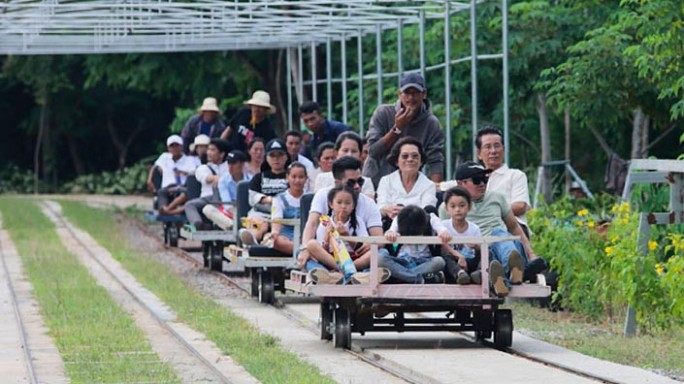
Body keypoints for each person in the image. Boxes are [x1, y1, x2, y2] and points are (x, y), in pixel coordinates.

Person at [451, 161, 546, 297]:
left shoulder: (497, 198)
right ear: (460, 183)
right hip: (480, 253)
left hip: (506, 246)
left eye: (485, 179)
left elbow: (514, 227)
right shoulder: (451, 205)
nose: (482, 184)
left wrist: (531, 254)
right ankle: (506, 277)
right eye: (477, 180)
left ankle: (513, 268)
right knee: (490, 250)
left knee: (499, 233)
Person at [299, 157, 384, 274]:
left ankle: (344, 272)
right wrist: (306, 248)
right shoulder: (323, 195)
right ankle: (344, 273)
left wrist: (370, 244)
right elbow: (312, 223)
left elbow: (379, 238)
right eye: (351, 182)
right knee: (308, 249)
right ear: (337, 183)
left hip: (357, 255)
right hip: (327, 256)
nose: (357, 187)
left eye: (360, 181)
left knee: (381, 254)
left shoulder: (368, 204)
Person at [441, 127, 531, 236]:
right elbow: (438, 186)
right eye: (488, 147)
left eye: (497, 146)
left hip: (510, 227)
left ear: (503, 148)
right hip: (476, 230)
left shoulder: (515, 175)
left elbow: (520, 206)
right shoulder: (468, 178)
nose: (493, 151)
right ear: (479, 153)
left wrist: (492, 211)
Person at [363, 72, 445, 187]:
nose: (411, 98)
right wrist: (397, 128)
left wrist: (436, 191)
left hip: (409, 188)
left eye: (415, 93)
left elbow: (435, 161)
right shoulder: (383, 113)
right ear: (399, 94)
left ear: (424, 94)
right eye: (407, 93)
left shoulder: (431, 123)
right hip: (375, 183)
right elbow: (373, 151)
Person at [305, 185, 391, 285]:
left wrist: (345, 235)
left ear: (353, 206)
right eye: (339, 202)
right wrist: (328, 236)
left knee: (378, 251)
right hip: (332, 259)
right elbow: (323, 248)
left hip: (353, 257)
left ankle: (346, 271)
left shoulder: (358, 221)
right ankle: (349, 272)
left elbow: (360, 247)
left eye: (347, 203)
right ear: (331, 204)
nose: (343, 206)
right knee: (311, 244)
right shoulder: (325, 221)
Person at [381, 205, 451, 284]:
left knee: (439, 261)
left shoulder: (431, 218)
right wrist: (390, 234)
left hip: (424, 262)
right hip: (402, 262)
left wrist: (443, 233)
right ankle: (417, 279)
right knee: (380, 258)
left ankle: (400, 277)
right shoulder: (399, 218)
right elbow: (390, 231)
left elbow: (443, 230)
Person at [239, 138, 290, 245]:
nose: (276, 159)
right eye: (272, 155)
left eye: (280, 155)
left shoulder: (292, 176)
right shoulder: (258, 178)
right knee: (260, 224)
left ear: (286, 157)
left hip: (285, 216)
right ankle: (251, 240)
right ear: (266, 158)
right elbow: (252, 198)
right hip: (261, 214)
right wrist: (270, 200)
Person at [376, 137, 437, 221]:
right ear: (396, 161)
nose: (410, 159)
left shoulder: (429, 185)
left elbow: (428, 211)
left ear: (421, 161)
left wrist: (404, 212)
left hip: (420, 228)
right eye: (405, 156)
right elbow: (380, 208)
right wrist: (387, 209)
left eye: (415, 156)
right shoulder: (386, 181)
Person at [146, 134, 198, 215]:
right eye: (172, 146)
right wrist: (149, 180)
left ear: (181, 147)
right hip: (167, 187)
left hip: (182, 187)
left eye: (177, 145)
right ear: (168, 148)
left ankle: (167, 210)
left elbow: (193, 173)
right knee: (162, 192)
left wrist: (182, 172)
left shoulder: (189, 160)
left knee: (185, 194)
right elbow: (155, 167)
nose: (174, 148)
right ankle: (163, 209)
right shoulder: (164, 157)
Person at [184, 139, 229, 230]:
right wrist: (217, 178)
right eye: (208, 149)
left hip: (225, 197)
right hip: (207, 198)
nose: (208, 152)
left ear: (221, 154)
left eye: (213, 150)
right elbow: (206, 178)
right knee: (189, 205)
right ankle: (198, 224)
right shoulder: (203, 167)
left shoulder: (228, 166)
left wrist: (220, 180)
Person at [314, 132, 375, 199]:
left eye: (354, 151)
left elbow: (368, 204)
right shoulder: (322, 178)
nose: (349, 154)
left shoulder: (366, 182)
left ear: (360, 155)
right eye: (345, 150)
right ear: (336, 153)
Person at [441, 187, 482, 285]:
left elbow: (480, 248)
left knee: (486, 251)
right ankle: (460, 274)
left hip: (470, 261)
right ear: (446, 208)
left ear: (469, 207)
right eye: (453, 206)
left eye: (462, 205)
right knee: (446, 256)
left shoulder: (474, 228)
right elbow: (443, 246)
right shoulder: (443, 226)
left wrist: (477, 246)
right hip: (454, 263)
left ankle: (479, 274)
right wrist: (459, 256)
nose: (458, 210)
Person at [203, 150, 251, 230]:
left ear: (242, 164)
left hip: (247, 213)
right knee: (208, 209)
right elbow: (227, 205)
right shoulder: (223, 180)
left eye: (234, 163)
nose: (230, 167)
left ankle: (236, 227)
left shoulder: (251, 179)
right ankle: (234, 227)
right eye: (228, 163)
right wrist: (237, 216)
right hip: (230, 213)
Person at [268, 162, 308, 255]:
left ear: (306, 178)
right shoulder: (279, 199)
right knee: (276, 241)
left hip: (305, 236)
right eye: (294, 177)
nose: (297, 180)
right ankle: (304, 251)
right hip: (286, 237)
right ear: (287, 177)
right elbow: (276, 220)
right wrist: (275, 232)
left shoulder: (310, 197)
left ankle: (304, 250)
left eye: (301, 177)